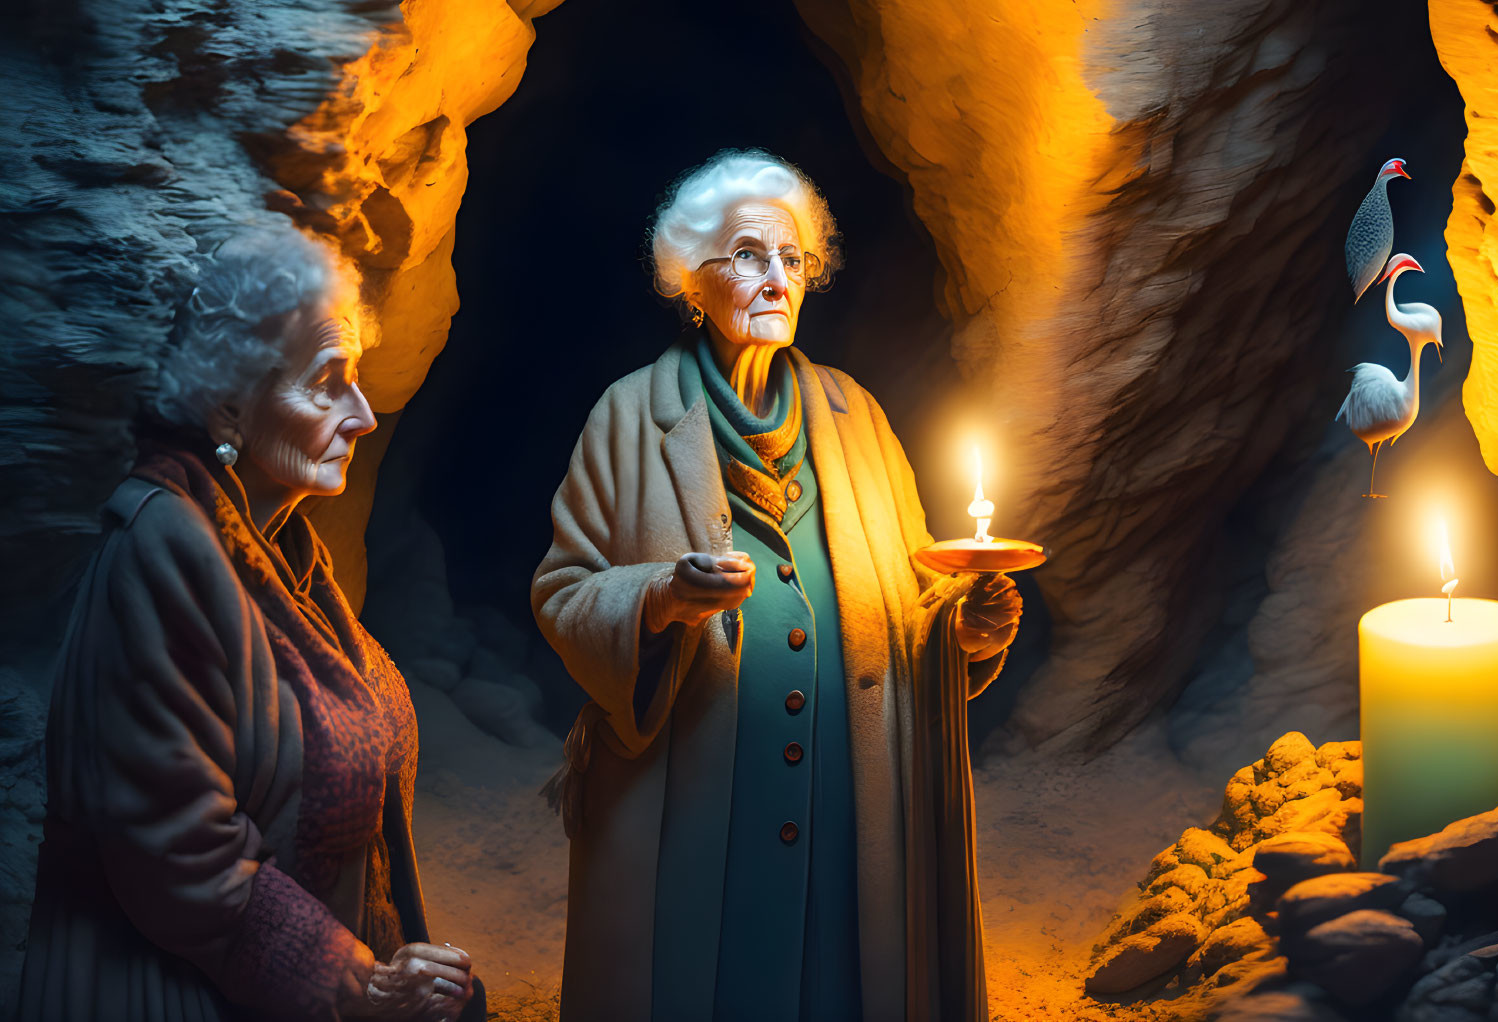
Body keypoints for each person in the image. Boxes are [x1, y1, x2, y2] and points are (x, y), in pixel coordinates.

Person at [532, 150, 1022, 1022]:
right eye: (749, 256)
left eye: (792, 261)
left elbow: (917, 616)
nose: (776, 279)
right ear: (693, 280)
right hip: (690, 813)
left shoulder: (856, 415)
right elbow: (565, 593)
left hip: (850, 800)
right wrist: (660, 596)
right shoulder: (628, 413)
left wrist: (965, 631)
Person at [19, 220, 483, 1022]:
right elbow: (175, 852)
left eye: (359, 378)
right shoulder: (162, 548)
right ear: (230, 407)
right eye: (328, 381)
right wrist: (359, 985)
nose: (364, 414)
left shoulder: (282, 555)